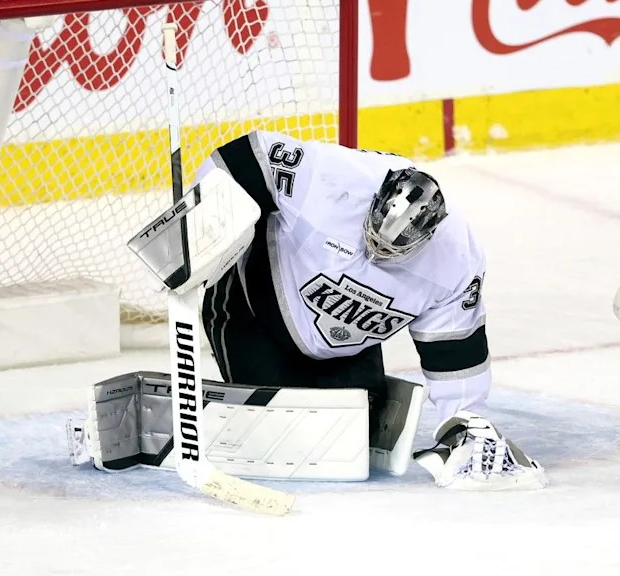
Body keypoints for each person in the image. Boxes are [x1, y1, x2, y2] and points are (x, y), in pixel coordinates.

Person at [192, 129, 546, 490]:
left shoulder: (455, 257)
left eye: (392, 252)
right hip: (252, 314)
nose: (377, 253)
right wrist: (198, 233)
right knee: (278, 441)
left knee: (348, 445)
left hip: (347, 347)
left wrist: (467, 423)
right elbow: (237, 160)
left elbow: (456, 350)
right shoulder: (331, 178)